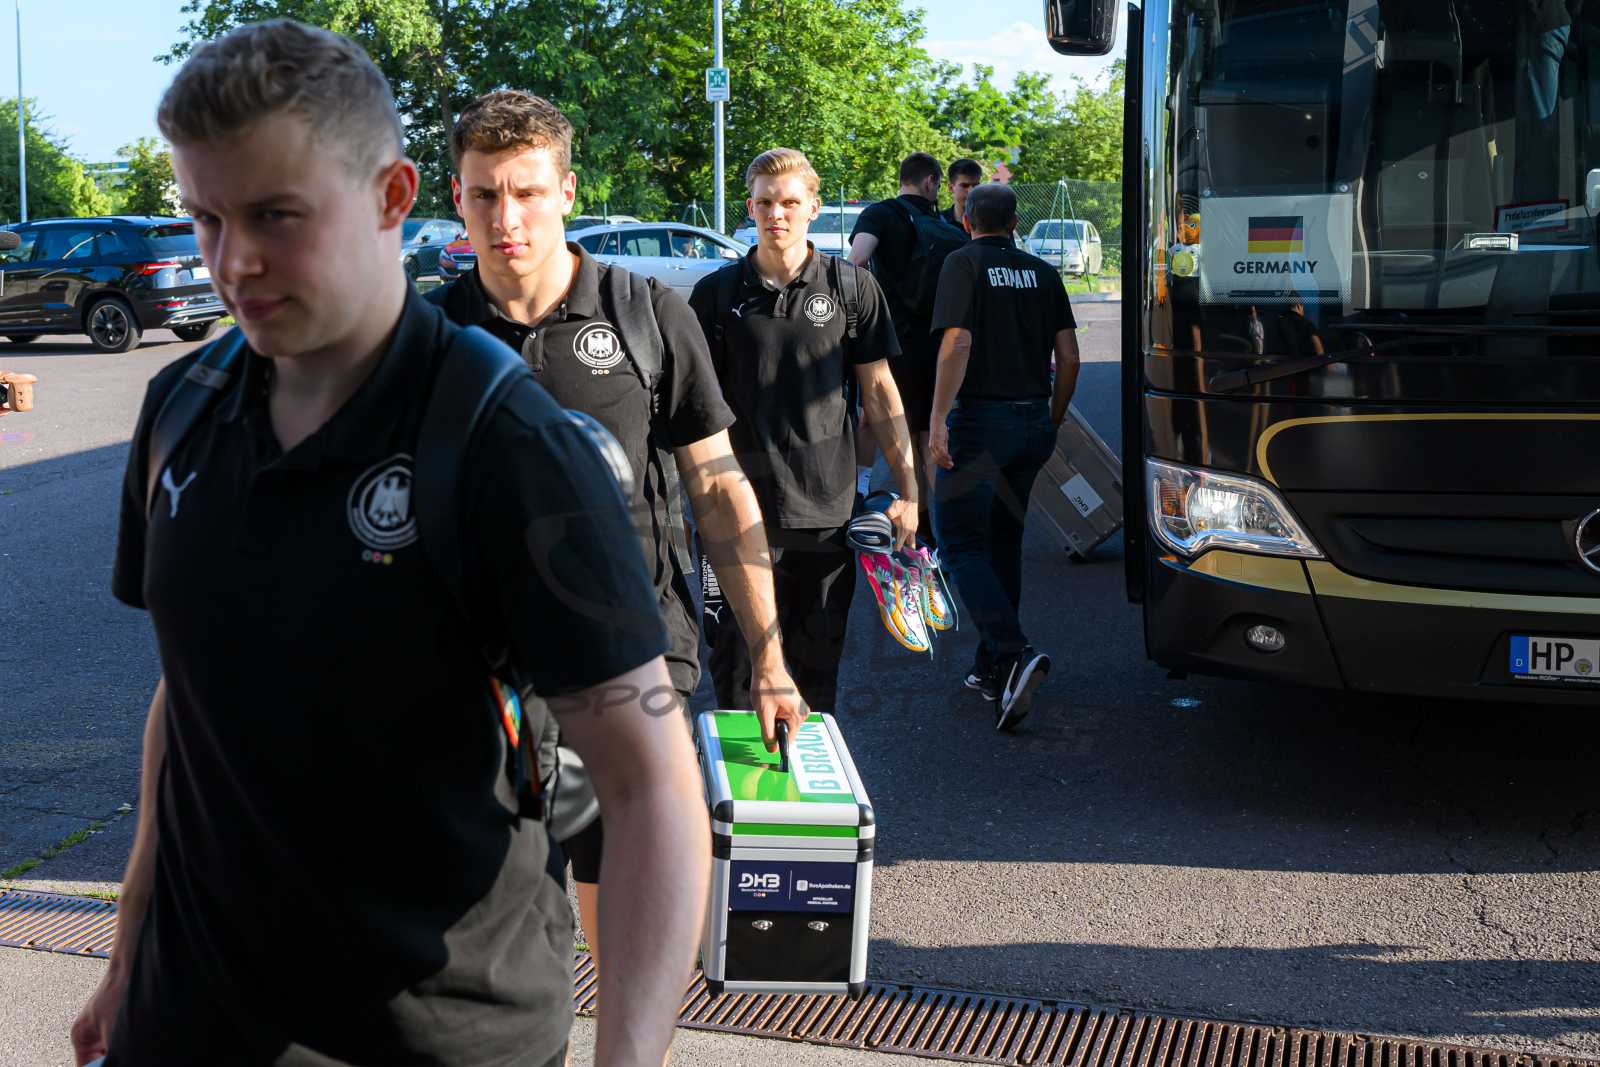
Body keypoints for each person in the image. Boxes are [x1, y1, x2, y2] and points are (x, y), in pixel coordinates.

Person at [70, 21, 707, 1067]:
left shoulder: (508, 442)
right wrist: (128, 948)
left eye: (275, 215)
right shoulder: (181, 409)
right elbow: (186, 696)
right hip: (191, 1020)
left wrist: (629, 1055)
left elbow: (649, 788)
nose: (234, 261)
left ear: (392, 196)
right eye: (205, 218)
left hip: (438, 1033)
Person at [426, 89, 804, 976]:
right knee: (496, 945)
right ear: (457, 198)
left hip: (632, 662)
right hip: (479, 677)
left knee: (629, 931)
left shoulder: (645, 314)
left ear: (566, 191)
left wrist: (769, 658)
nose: (506, 218)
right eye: (485, 195)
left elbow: (719, 489)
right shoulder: (428, 336)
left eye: (527, 192)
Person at [690, 148, 917, 715]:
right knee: (736, 673)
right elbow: (691, 408)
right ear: (750, 208)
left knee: (816, 676)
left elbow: (880, 392)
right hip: (735, 513)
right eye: (765, 202)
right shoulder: (716, 295)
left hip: (825, 513)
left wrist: (910, 489)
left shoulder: (851, 288)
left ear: (813, 208)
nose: (777, 214)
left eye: (790, 202)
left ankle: (808, 775)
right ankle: (741, 779)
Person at [927, 183, 1080, 731]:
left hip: (981, 424)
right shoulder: (1043, 272)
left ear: (967, 220)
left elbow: (957, 343)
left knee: (959, 544)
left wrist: (937, 418)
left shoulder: (963, 263)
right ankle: (992, 667)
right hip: (1031, 420)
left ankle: (1013, 653)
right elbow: (1069, 357)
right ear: (1015, 223)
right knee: (1003, 543)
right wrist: (1053, 418)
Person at [848, 152, 967, 541]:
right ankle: (939, 527)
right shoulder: (944, 226)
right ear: (931, 181)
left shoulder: (880, 214)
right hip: (935, 344)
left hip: (890, 342)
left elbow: (856, 260)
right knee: (928, 432)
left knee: (879, 419)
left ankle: (867, 496)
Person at [940, 158, 984, 231]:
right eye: (964, 186)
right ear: (951, 188)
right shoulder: (939, 222)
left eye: (975, 185)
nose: (971, 191)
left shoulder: (990, 222)